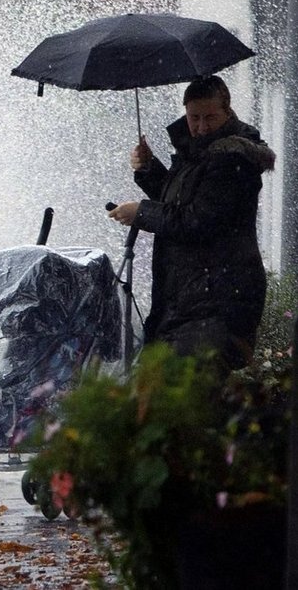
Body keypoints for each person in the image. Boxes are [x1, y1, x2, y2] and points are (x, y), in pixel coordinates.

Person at [108, 75, 276, 372]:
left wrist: (141, 213)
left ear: (227, 111)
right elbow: (180, 203)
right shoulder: (198, 154)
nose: (200, 126)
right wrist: (149, 168)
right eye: (193, 117)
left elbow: (197, 220)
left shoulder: (232, 159)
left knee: (189, 398)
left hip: (215, 301)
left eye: (210, 117)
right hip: (190, 299)